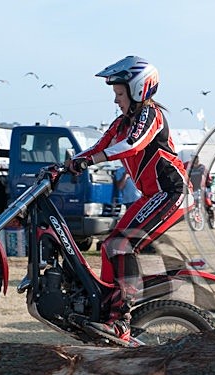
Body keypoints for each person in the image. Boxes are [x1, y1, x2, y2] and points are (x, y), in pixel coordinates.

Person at [65, 55, 190, 342]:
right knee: (110, 245)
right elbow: (100, 145)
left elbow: (132, 145)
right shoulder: (122, 122)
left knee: (121, 245)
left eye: (119, 93)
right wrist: (65, 166)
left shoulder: (151, 115)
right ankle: (106, 311)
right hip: (151, 195)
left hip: (170, 193)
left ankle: (121, 321)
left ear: (138, 90)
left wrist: (93, 159)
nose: (115, 100)